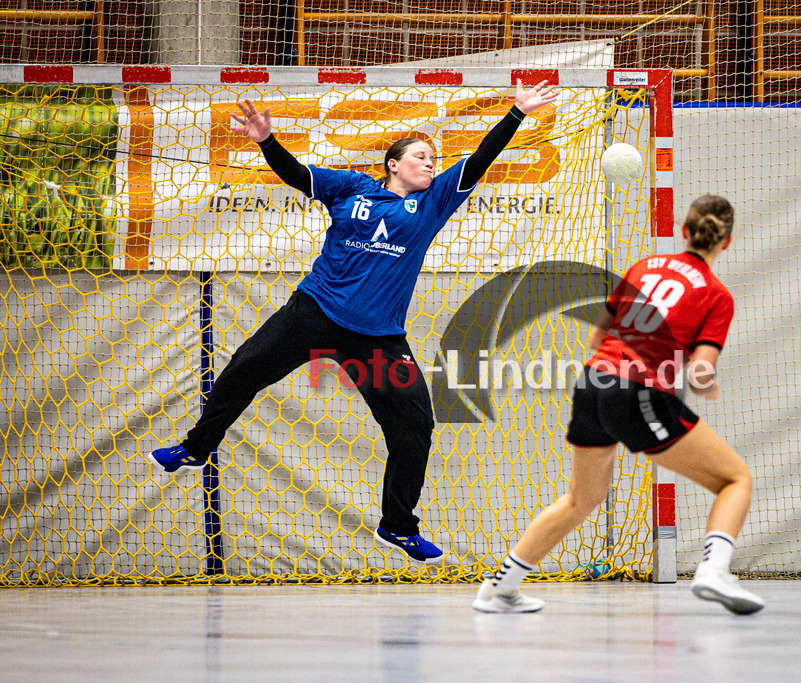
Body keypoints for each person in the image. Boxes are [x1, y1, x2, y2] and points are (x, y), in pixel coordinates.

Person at [147, 80, 559, 565]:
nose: (431, 163)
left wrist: (516, 112)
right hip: (315, 312)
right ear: (393, 164)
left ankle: (398, 526)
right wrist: (265, 139)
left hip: (378, 338)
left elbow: (479, 160)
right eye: (421, 156)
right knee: (245, 366)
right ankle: (196, 448)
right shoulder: (352, 188)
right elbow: (298, 175)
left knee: (415, 425)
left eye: (433, 158)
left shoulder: (433, 203)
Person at [473, 194, 764, 613]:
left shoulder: (643, 267)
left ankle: (498, 590)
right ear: (728, 242)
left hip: (593, 382)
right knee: (735, 479)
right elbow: (700, 370)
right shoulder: (716, 295)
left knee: (581, 499)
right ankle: (714, 571)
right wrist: (707, 384)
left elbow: (598, 335)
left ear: (684, 231)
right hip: (639, 392)